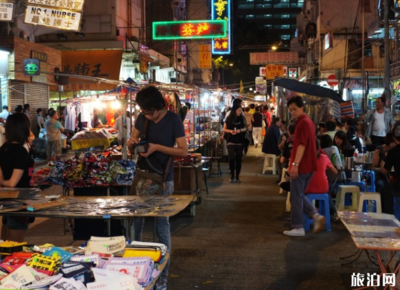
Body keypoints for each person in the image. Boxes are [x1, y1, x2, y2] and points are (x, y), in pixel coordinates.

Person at [128, 86, 187, 290]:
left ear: (160, 106)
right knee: (136, 225)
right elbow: (133, 139)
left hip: (163, 180)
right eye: (144, 112)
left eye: (150, 112)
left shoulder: (173, 120)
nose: (148, 116)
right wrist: (132, 143)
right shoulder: (142, 118)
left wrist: (156, 147)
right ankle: (134, 275)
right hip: (142, 178)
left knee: (162, 228)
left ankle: (162, 280)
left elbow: (183, 150)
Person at [283, 96, 324, 237]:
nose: (292, 112)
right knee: (298, 195)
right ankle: (315, 215)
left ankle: (298, 226)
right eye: (290, 110)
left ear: (302, 107)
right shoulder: (308, 122)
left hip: (302, 165)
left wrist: (295, 165)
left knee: (296, 196)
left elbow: (301, 145)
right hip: (308, 164)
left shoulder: (303, 123)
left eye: (294, 109)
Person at [0, 113, 35, 242]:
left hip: (6, 200)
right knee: (15, 247)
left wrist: (3, 182)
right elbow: (12, 182)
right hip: (19, 201)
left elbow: (1, 178)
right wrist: (5, 182)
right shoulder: (20, 151)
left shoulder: (4, 148)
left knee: (4, 244)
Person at [223, 105, 246, 183]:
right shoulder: (229, 118)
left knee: (239, 159)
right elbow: (224, 129)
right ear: (235, 110)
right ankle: (232, 176)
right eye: (239, 110)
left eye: (240, 110)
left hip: (239, 141)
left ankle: (237, 177)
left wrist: (240, 130)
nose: (240, 112)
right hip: (231, 141)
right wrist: (230, 131)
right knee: (231, 159)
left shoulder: (242, 118)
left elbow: (245, 128)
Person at [380, 124, 400, 214]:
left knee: (386, 190)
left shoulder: (393, 151)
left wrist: (382, 165)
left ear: (394, 138)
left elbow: (384, 171)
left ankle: (390, 217)